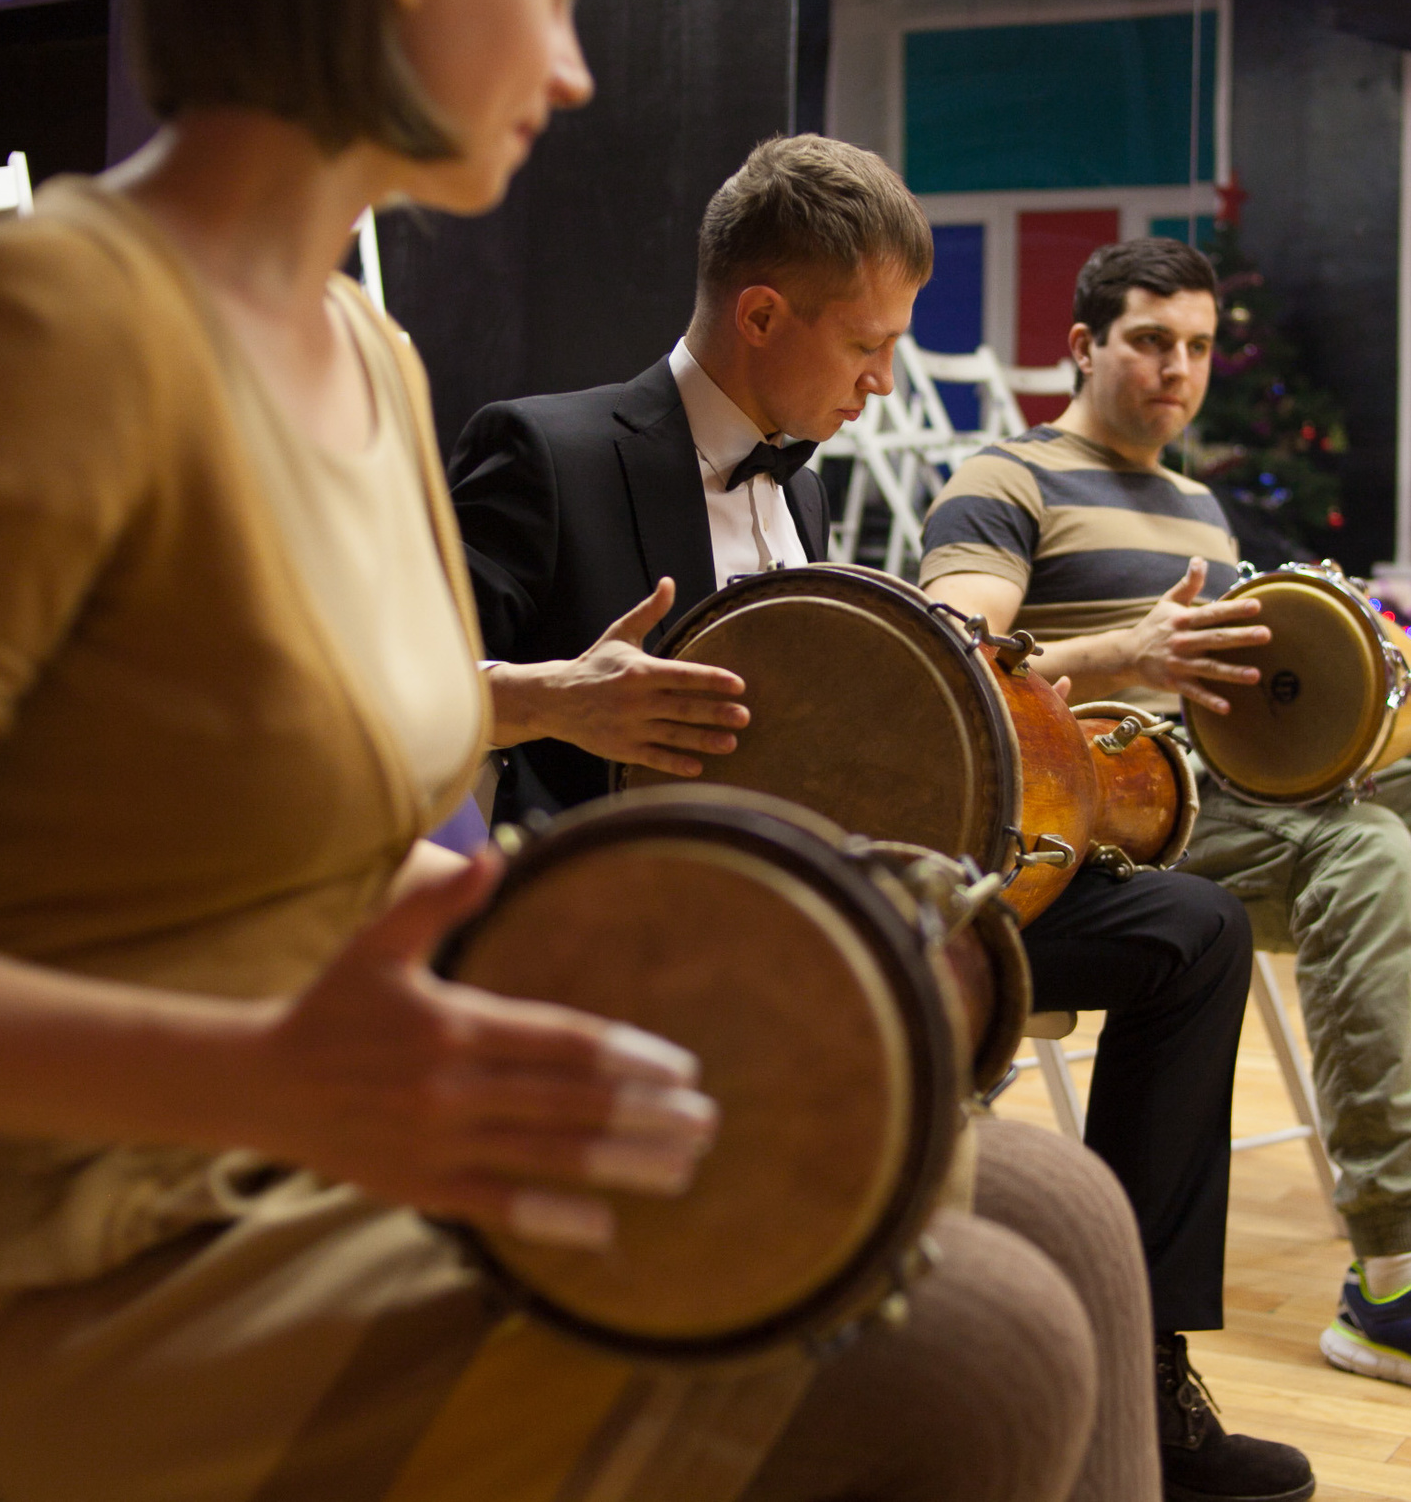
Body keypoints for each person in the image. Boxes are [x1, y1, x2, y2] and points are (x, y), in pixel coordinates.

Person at [0, 0, 1174, 1499]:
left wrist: (570, 748)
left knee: (1060, 1206)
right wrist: (276, 1076)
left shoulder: (363, 352)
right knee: (977, 1353)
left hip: (329, 1129)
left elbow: (297, 740)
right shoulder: (37, 330)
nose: (578, 68)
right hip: (93, 1233)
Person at [452, 139, 1313, 1502]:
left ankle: (1149, 1368)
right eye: (867, 343)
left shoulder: (793, 484)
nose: (883, 380)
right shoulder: (549, 448)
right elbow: (397, 687)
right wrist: (560, 697)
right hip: (673, 921)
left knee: (1191, 925)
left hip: (868, 892)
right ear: (761, 316)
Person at [922, 238, 1411, 1421]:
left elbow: (1256, 674)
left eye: (1195, 346)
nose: (1176, 369)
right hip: (1125, 811)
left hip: (1255, 785)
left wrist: (1380, 675)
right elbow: (949, 662)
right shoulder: (1005, 480)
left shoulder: (1197, 504)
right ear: (1084, 347)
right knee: (1363, 853)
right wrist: (1120, 655)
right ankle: (1396, 1273)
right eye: (1148, 341)